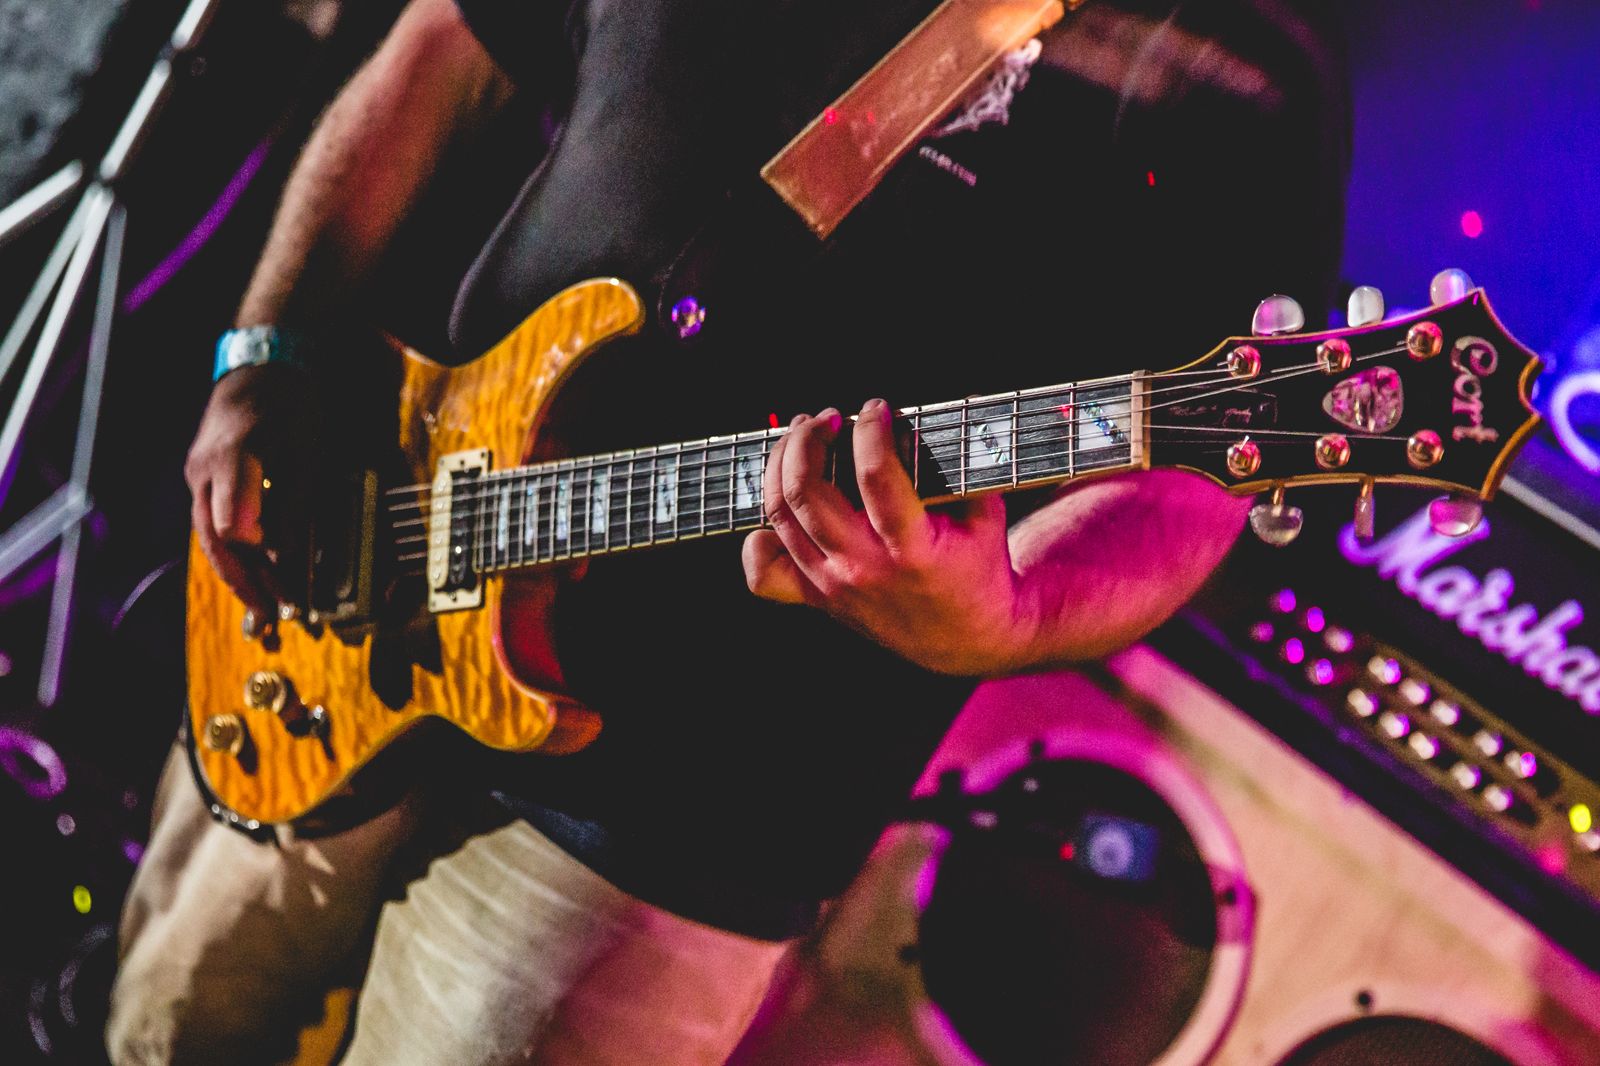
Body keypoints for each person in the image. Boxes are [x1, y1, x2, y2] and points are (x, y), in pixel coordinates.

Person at [107, 0, 1350, 1063]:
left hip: (691, 816)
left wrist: (1007, 615)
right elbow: (447, 45)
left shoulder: (1239, 70)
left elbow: (1197, 477)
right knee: (162, 1028)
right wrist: (268, 348)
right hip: (350, 571)